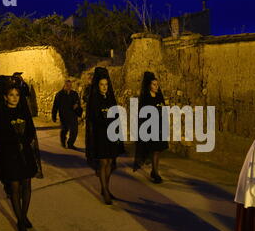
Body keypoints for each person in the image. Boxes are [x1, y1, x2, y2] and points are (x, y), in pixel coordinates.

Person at [0, 81, 43, 231]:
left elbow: (30, 131)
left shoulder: (23, 111)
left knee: (27, 185)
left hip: (25, 153)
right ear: (5, 97)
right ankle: (20, 221)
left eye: (17, 95)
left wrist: (24, 140)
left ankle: (23, 216)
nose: (15, 98)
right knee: (14, 188)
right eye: (11, 95)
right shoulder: (0, 113)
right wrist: (14, 140)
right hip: (10, 155)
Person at [85, 67, 124, 205]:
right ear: (97, 85)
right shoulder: (94, 99)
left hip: (111, 134)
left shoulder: (110, 98)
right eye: (102, 84)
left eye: (106, 84)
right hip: (100, 135)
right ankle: (105, 191)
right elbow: (93, 118)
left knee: (109, 162)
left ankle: (105, 187)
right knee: (103, 163)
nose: (104, 87)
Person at [133, 71, 169, 183]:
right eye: (154, 84)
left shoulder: (159, 95)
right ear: (149, 85)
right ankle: (155, 172)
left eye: (157, 84)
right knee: (153, 149)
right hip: (149, 127)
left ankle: (155, 171)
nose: (156, 86)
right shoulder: (145, 97)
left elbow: (163, 108)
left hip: (159, 126)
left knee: (157, 150)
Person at [52, 80, 82, 149]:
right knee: (64, 130)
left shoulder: (74, 94)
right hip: (63, 116)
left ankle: (70, 144)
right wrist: (54, 116)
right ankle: (63, 141)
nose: (69, 87)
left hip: (73, 115)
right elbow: (55, 106)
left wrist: (77, 107)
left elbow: (78, 103)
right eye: (67, 85)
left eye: (70, 86)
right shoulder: (59, 95)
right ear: (64, 86)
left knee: (74, 131)